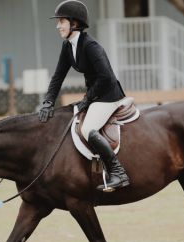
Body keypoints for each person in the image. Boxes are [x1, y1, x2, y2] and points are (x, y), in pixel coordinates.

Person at [38, 0, 130, 192]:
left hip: (109, 96)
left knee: (88, 129)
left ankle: (117, 172)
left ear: (75, 23)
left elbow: (107, 78)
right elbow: (57, 77)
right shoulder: (68, 46)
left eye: (61, 21)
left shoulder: (91, 46)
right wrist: (48, 102)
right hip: (95, 96)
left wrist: (87, 99)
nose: (58, 26)